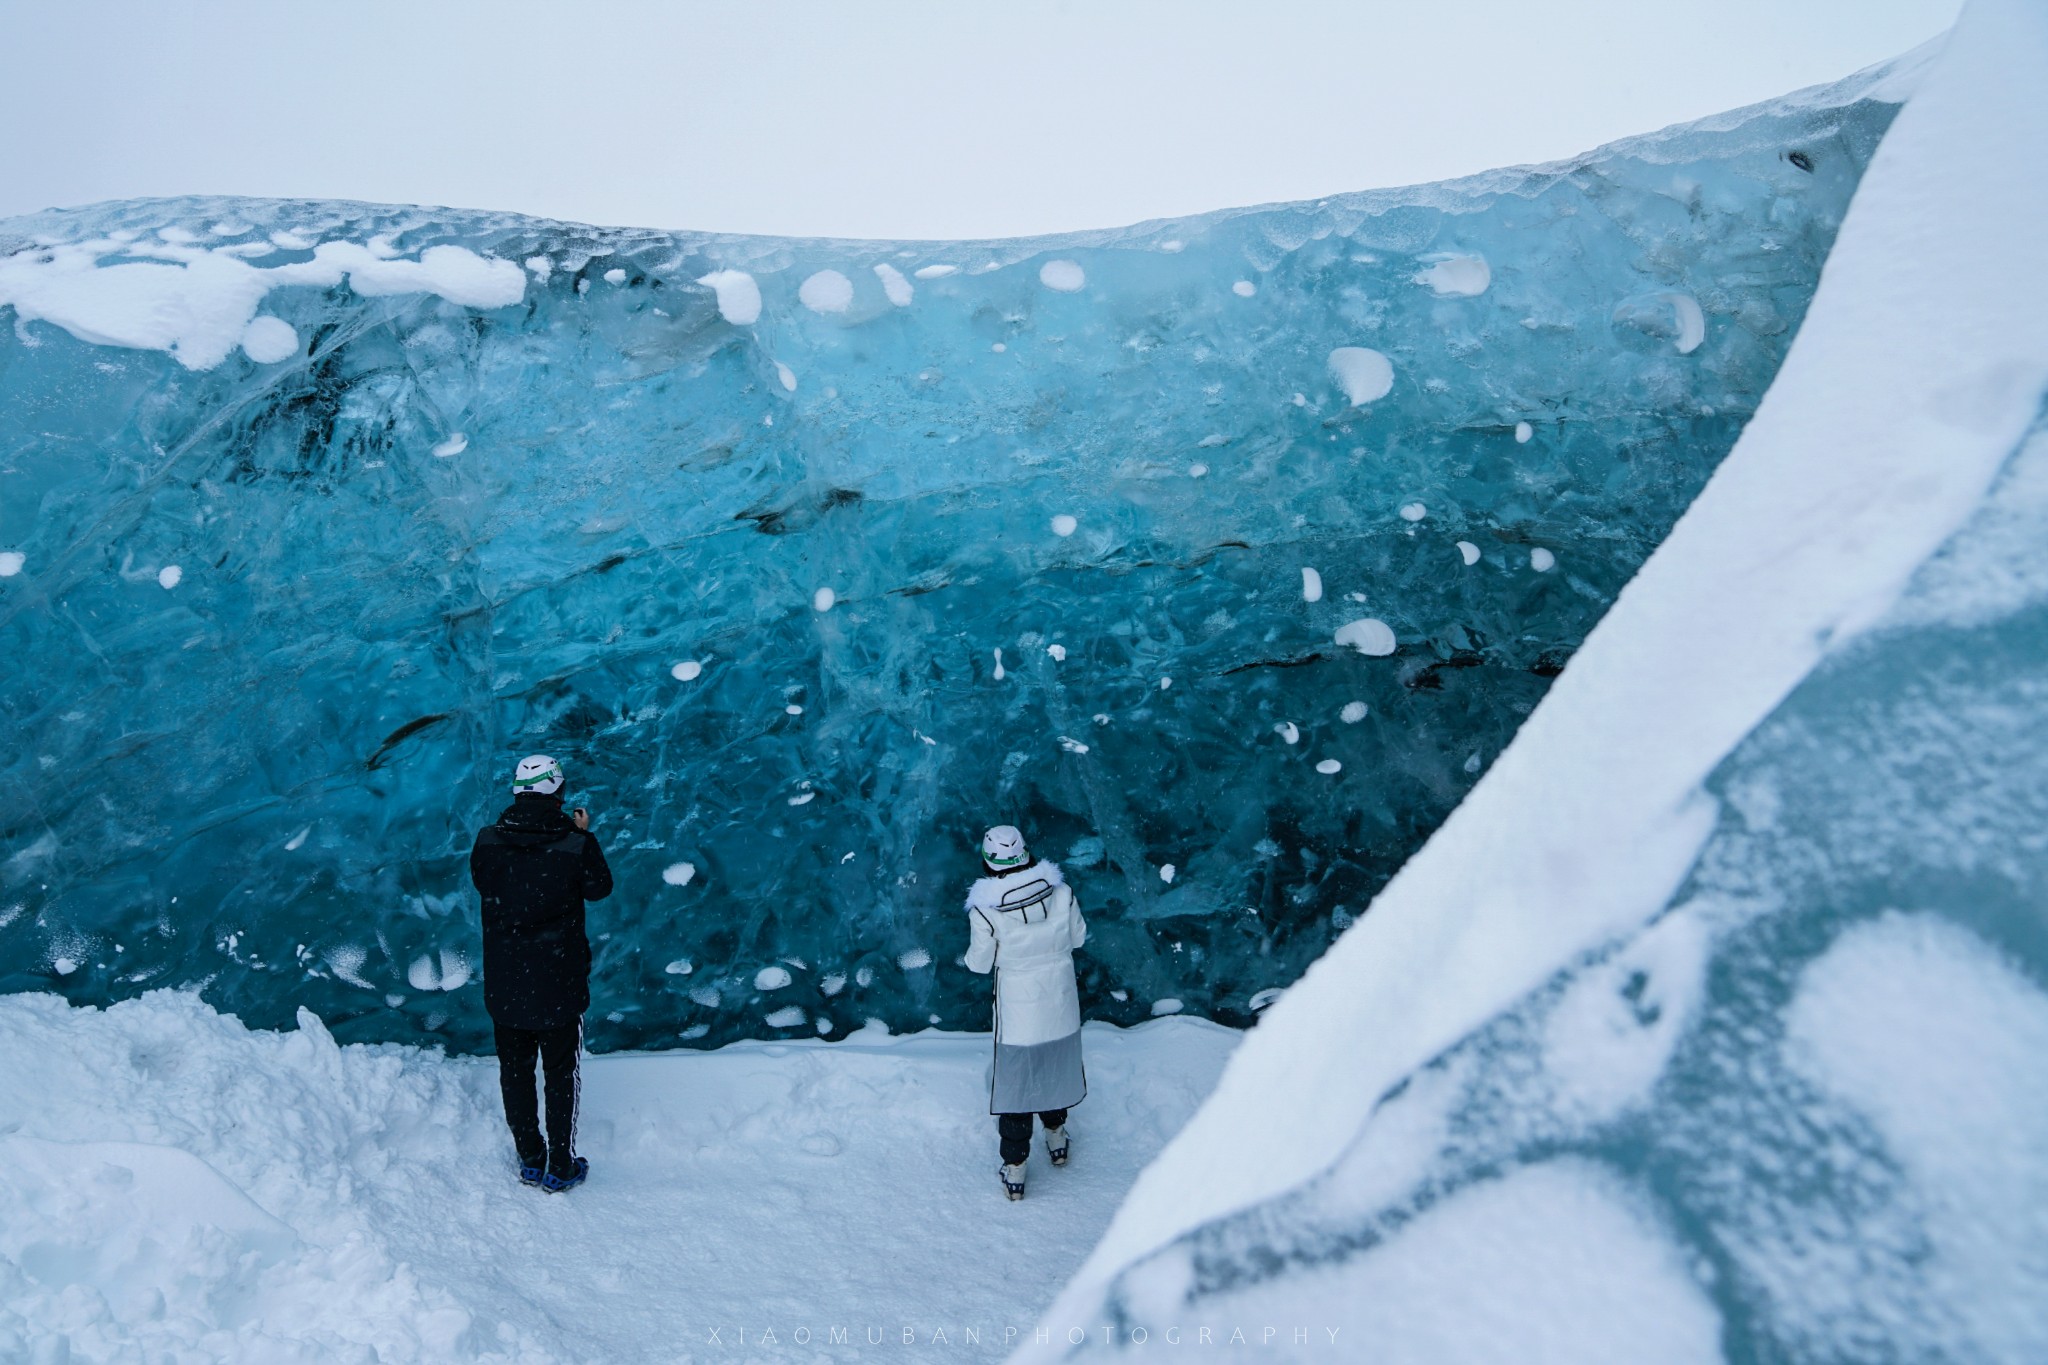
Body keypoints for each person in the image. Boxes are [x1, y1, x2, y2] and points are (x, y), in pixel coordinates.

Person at [470, 754, 613, 1193]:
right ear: (558, 793)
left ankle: (530, 1158)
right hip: (558, 981)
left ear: (518, 790)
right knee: (559, 1073)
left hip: (507, 980)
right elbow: (599, 889)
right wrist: (581, 835)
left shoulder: (488, 840)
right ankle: (560, 1165)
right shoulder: (575, 844)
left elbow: (486, 883)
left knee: (514, 1071)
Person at [963, 825, 1087, 1200]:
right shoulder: (1062, 893)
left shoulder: (986, 911)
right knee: (1055, 1069)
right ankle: (1057, 1138)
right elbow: (1078, 938)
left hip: (1020, 1012)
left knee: (1018, 1089)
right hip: (1061, 1002)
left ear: (988, 862)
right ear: (1027, 854)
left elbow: (979, 964)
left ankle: (1015, 1169)